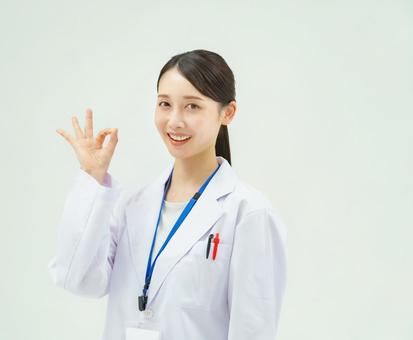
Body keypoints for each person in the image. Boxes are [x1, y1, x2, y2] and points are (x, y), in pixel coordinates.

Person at [47, 49, 288, 340]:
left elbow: (253, 331)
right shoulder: (133, 207)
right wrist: (92, 178)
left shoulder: (247, 213)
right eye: (165, 104)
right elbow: (77, 278)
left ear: (228, 113)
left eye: (192, 107)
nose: (174, 121)